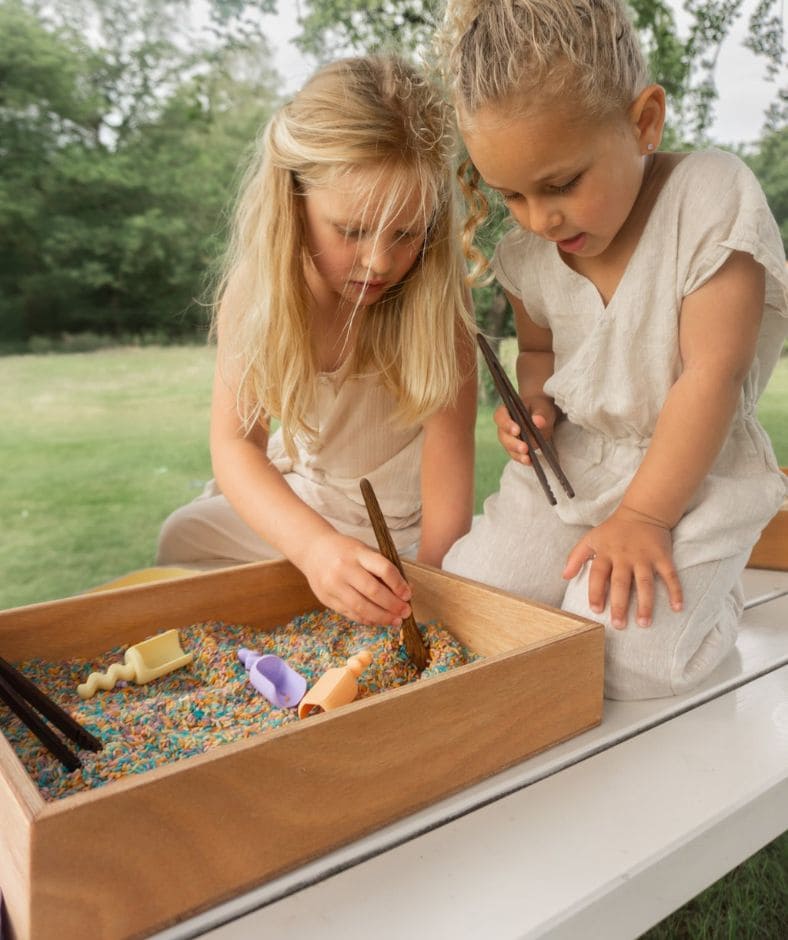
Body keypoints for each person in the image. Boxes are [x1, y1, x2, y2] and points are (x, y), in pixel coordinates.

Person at [437, 0, 788, 699]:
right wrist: (532, 403)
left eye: (561, 184)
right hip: (574, 466)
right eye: (512, 195)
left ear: (643, 122)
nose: (542, 218)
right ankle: (586, 568)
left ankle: (715, 597)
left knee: (630, 664)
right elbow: (539, 351)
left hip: (692, 473)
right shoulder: (527, 250)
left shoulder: (709, 199)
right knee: (475, 600)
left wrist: (644, 518)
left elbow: (711, 378)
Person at [156, 55, 477, 630]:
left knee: (434, 581)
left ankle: (332, 594)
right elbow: (236, 447)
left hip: (402, 525)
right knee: (184, 534)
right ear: (295, 201)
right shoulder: (258, 293)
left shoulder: (436, 301)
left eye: (406, 233)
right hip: (311, 502)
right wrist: (314, 550)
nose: (381, 261)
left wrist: (431, 592)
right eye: (352, 230)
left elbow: (450, 470)